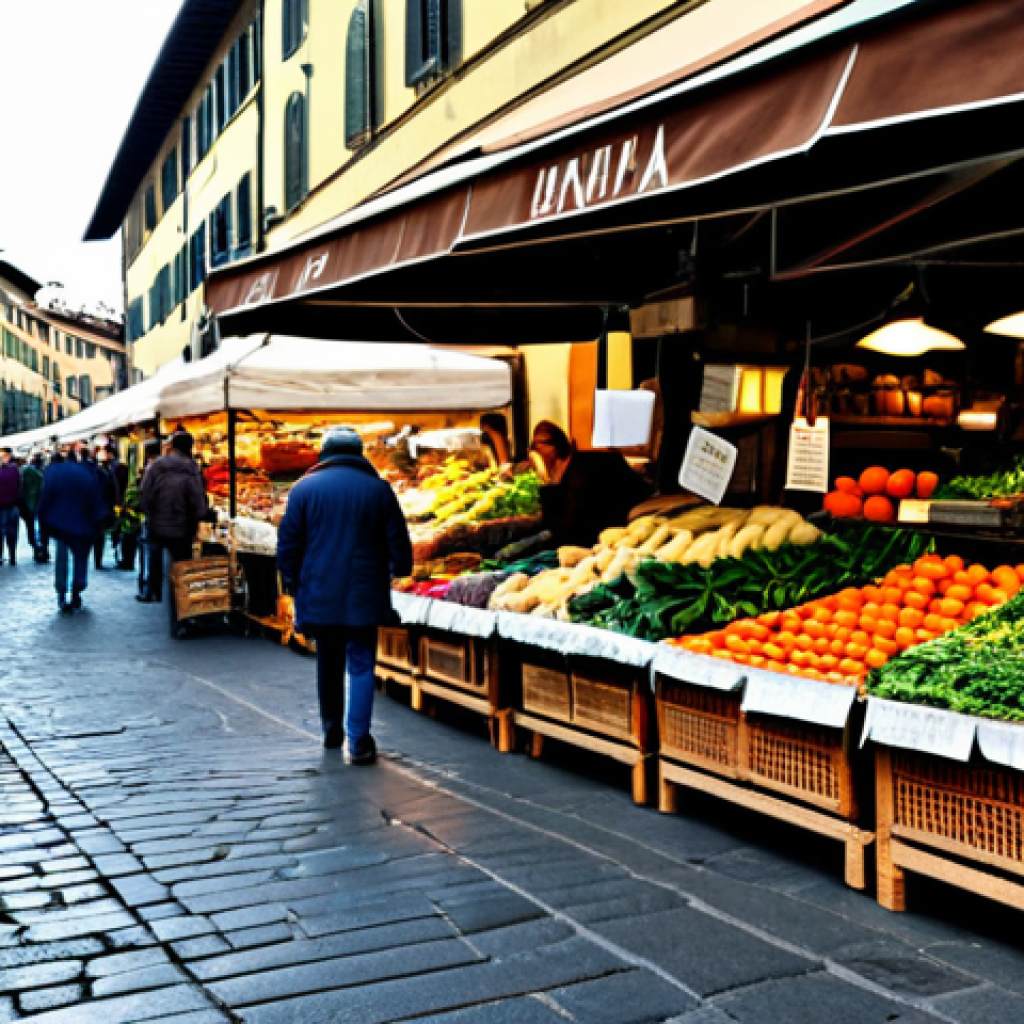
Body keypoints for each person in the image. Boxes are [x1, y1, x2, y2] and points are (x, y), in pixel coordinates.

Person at [277, 427, 413, 764]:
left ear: (324, 453)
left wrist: (292, 585)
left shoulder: (304, 489)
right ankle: (360, 738)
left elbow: (288, 546)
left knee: (329, 661)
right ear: (359, 453)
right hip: (365, 591)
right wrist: (401, 568)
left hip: (320, 589)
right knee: (362, 661)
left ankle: (331, 729)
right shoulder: (378, 490)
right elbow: (399, 540)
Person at [529, 420, 652, 548]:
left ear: (553, 449)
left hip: (628, 522)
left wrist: (546, 481)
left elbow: (570, 530)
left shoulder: (580, 475)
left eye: (536, 446)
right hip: (608, 524)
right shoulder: (573, 467)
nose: (533, 451)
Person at [140, 431, 210, 633]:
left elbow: (145, 494)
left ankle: (153, 590)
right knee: (180, 573)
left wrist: (151, 515)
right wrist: (201, 516)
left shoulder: (156, 466)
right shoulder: (190, 469)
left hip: (157, 526)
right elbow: (198, 500)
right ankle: (179, 618)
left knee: (158, 560)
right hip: (182, 529)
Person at [36, 445, 102, 613]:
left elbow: (46, 496)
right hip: (84, 524)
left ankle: (61, 593)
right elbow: (96, 499)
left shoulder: (54, 473)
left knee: (62, 558)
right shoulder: (87, 473)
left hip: (60, 524)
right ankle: (77, 589)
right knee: (81, 558)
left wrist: (41, 518)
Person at [90, 449, 117, 570]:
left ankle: (97, 559)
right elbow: (112, 491)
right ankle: (98, 560)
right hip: (103, 508)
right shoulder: (106, 475)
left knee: (96, 534)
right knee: (99, 535)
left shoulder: (90, 475)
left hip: (94, 508)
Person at [19, 453, 44, 561]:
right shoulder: (39, 474)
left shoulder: (24, 473)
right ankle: (40, 550)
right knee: (38, 529)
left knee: (32, 529)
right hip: (38, 506)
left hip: (29, 506)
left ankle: (37, 549)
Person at [0, 449, 20, 565]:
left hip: (7, 506)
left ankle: (6, 556)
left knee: (5, 532)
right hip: (11, 506)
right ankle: (12, 556)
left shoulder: (12, 470)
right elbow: (18, 487)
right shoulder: (14, 470)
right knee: (11, 532)